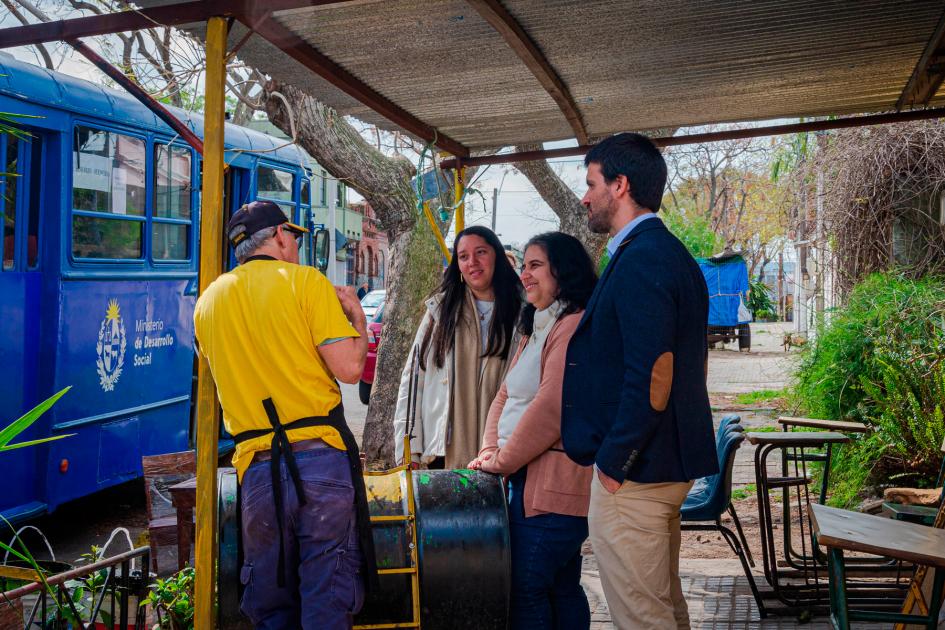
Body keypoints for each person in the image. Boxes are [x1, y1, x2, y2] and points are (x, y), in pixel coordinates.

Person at [561, 133, 719, 629]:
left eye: (591, 184)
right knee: (662, 610)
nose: (584, 197)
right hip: (656, 467)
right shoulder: (662, 252)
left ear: (620, 185)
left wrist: (614, 461)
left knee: (642, 618)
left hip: (637, 474)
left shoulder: (645, 257)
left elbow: (654, 374)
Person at [193, 200, 375, 629]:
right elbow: (350, 368)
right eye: (292, 235)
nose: (294, 243)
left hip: (256, 472)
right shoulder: (305, 282)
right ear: (278, 236)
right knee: (327, 599)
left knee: (272, 605)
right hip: (321, 464)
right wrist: (357, 319)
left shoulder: (208, 304)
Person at [470, 232, 597, 630]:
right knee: (559, 588)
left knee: (526, 588)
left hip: (555, 488)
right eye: (523, 266)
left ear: (564, 270)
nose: (524, 274)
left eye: (536, 265)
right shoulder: (537, 325)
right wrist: (491, 450)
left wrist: (501, 461)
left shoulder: (572, 325)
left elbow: (551, 406)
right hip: (523, 481)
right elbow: (504, 395)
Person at [393, 225, 522, 469]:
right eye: (463, 256)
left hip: (504, 453)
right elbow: (413, 381)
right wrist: (409, 450)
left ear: (497, 255)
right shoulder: (441, 311)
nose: (472, 262)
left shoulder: (523, 312)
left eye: (481, 252)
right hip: (442, 454)